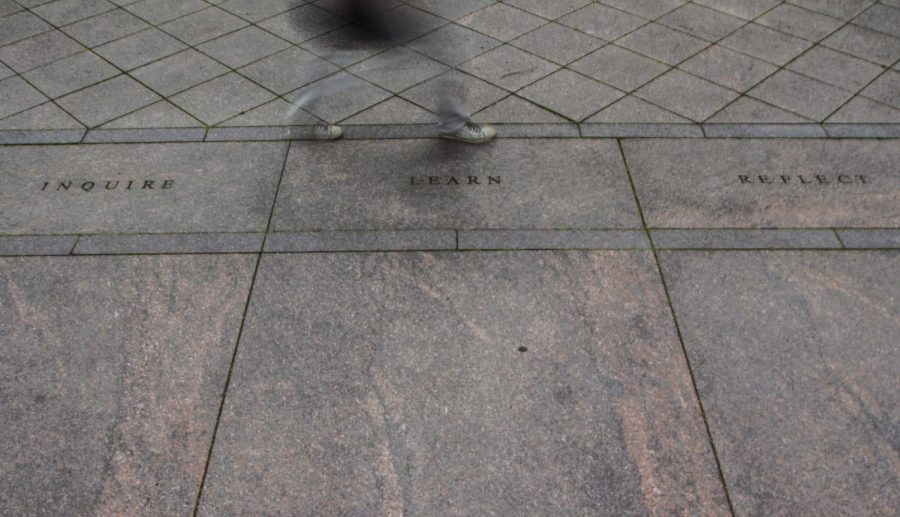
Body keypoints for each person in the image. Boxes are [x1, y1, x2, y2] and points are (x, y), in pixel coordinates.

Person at [290, 0, 496, 144]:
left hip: (338, 8)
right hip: (365, 9)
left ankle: (304, 118)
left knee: (331, 51)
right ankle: (454, 123)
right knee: (449, 47)